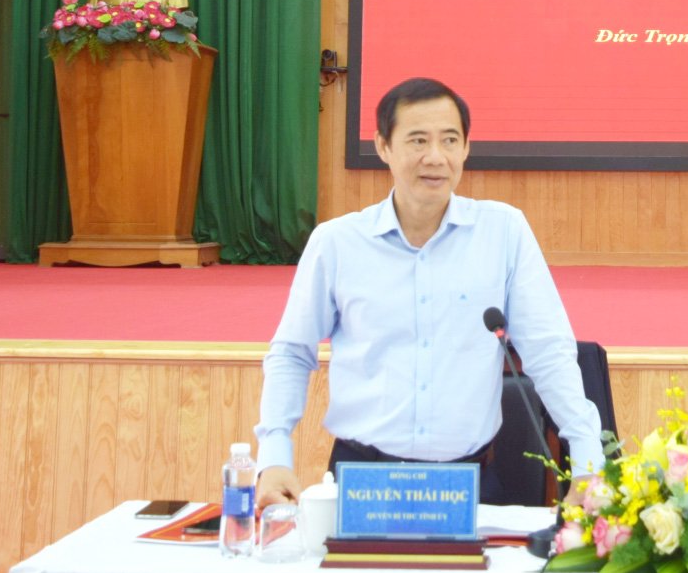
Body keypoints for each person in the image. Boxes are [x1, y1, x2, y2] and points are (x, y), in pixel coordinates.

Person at [254, 77, 604, 510]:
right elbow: (291, 352)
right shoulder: (337, 242)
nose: (435, 158)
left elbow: (548, 351)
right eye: (417, 141)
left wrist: (588, 461)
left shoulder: (503, 232)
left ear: (466, 148)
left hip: (469, 481)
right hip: (360, 478)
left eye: (450, 140)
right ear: (383, 147)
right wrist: (273, 456)